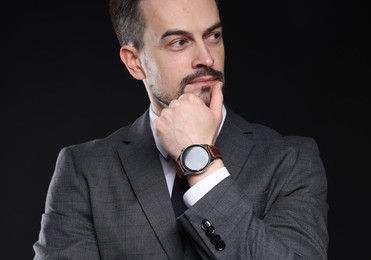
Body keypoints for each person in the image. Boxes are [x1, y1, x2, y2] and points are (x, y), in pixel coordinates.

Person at [33, 0, 329, 259]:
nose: (207, 58)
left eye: (213, 36)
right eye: (179, 42)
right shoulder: (85, 170)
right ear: (135, 62)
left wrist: (202, 166)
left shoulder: (290, 160)